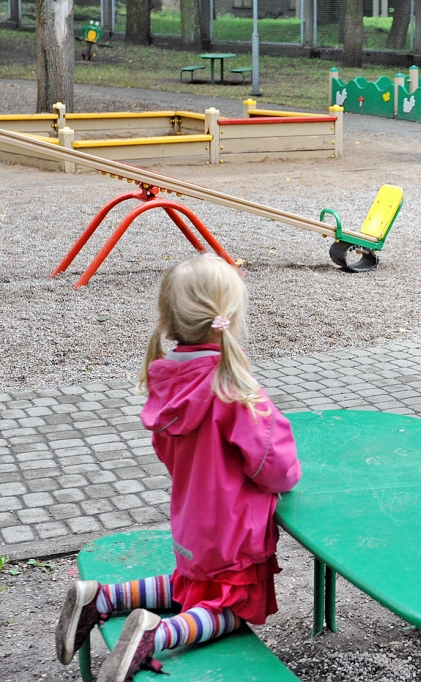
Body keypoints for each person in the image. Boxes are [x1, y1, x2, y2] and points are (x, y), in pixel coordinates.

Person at [55, 254, 302, 682]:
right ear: (231, 318)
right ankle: (159, 634)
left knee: (189, 585)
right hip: (233, 528)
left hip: (191, 521)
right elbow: (274, 466)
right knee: (231, 609)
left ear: (169, 322)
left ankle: (103, 598)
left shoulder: (167, 383)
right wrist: (290, 477)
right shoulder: (234, 391)